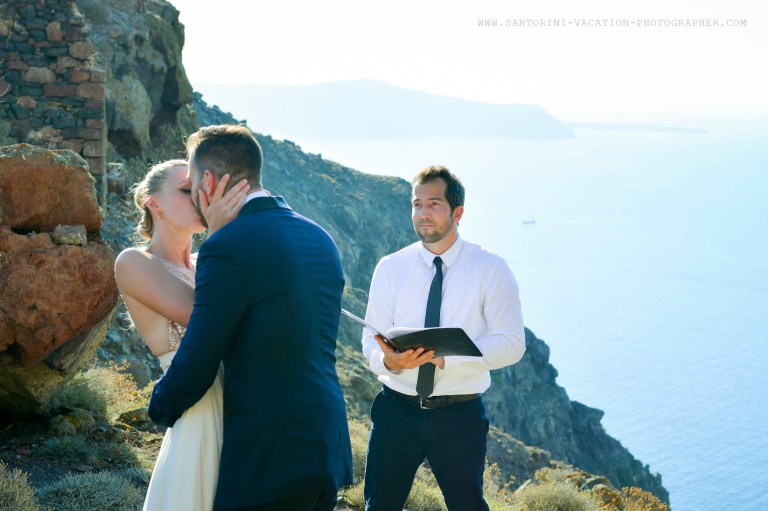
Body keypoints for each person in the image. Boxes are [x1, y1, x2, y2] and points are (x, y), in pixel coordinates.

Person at [147, 124, 353, 511]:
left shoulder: (227, 247)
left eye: (192, 186)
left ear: (208, 181)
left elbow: (199, 359)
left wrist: (157, 407)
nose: (193, 198)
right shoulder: (319, 237)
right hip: (326, 444)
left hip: (268, 456)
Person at [361, 165, 525, 511]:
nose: (422, 213)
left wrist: (447, 357)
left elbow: (512, 343)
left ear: (458, 212)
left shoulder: (490, 268)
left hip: (459, 415)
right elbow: (369, 336)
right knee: (379, 507)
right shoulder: (390, 267)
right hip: (395, 410)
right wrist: (386, 360)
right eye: (417, 204)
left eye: (433, 204)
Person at [115, 159, 250, 511]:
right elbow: (207, 317)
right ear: (152, 202)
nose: (199, 199)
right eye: (187, 190)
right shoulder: (132, 262)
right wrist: (220, 229)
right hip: (200, 410)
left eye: (201, 190)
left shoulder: (206, 259)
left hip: (245, 407)